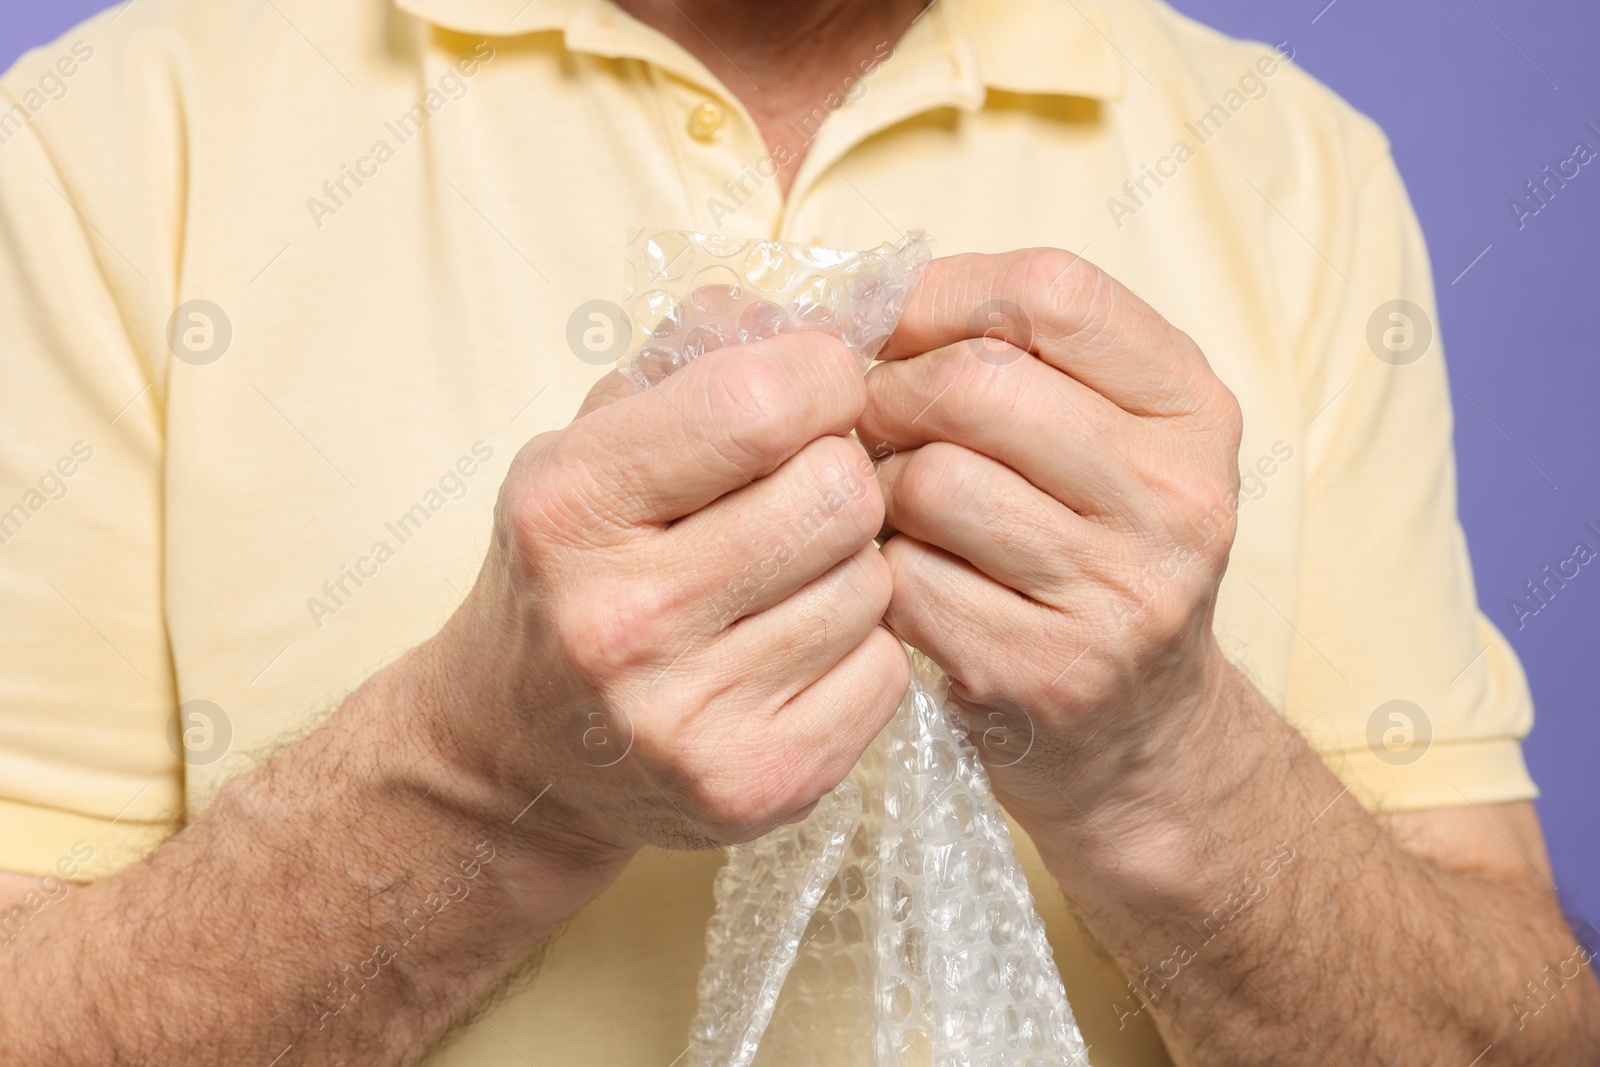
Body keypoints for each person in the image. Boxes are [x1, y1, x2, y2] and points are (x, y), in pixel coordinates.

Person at [0, 0, 1595, 1062]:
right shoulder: (101, 144)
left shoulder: (1297, 168)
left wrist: (1168, 765)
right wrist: (493, 774)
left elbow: (1508, 1028)